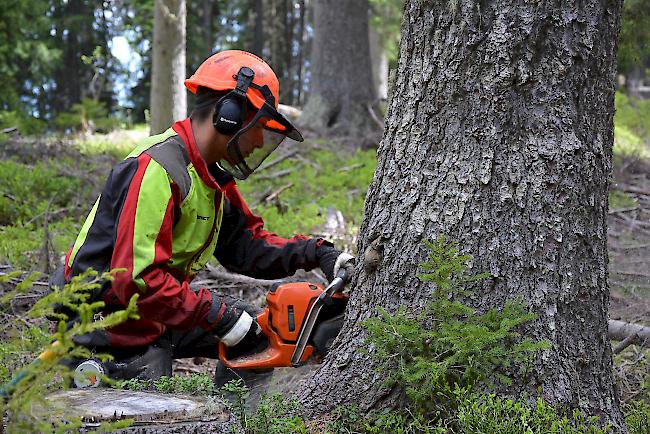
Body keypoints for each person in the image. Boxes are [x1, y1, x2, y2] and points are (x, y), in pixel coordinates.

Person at [52, 50, 354, 382]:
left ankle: (245, 417)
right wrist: (218, 315)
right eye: (258, 126)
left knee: (264, 336)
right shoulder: (157, 169)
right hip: (106, 320)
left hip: (154, 311)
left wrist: (316, 252)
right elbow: (136, 279)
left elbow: (247, 247)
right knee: (148, 395)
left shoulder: (210, 177)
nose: (258, 141)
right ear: (230, 114)